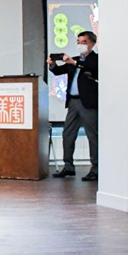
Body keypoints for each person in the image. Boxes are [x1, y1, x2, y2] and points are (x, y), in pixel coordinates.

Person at [47, 31, 99, 181]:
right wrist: (53, 64)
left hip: (88, 103)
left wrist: (74, 63)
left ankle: (96, 168)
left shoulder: (95, 60)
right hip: (73, 102)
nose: (80, 45)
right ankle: (68, 166)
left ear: (92, 44)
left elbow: (92, 68)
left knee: (92, 136)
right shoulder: (74, 60)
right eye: (78, 42)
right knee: (68, 134)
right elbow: (58, 71)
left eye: (84, 42)